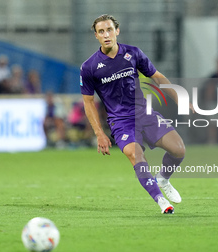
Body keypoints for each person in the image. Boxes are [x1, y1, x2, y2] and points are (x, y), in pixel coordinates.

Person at [80, 14, 194, 214]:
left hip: (144, 114)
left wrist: (179, 98)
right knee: (136, 155)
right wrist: (99, 133)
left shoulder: (133, 53)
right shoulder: (89, 67)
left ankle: (164, 179)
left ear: (117, 31)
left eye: (109, 30)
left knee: (179, 150)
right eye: (101, 32)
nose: (106, 35)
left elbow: (157, 77)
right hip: (121, 122)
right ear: (96, 36)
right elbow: (88, 102)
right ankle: (160, 201)